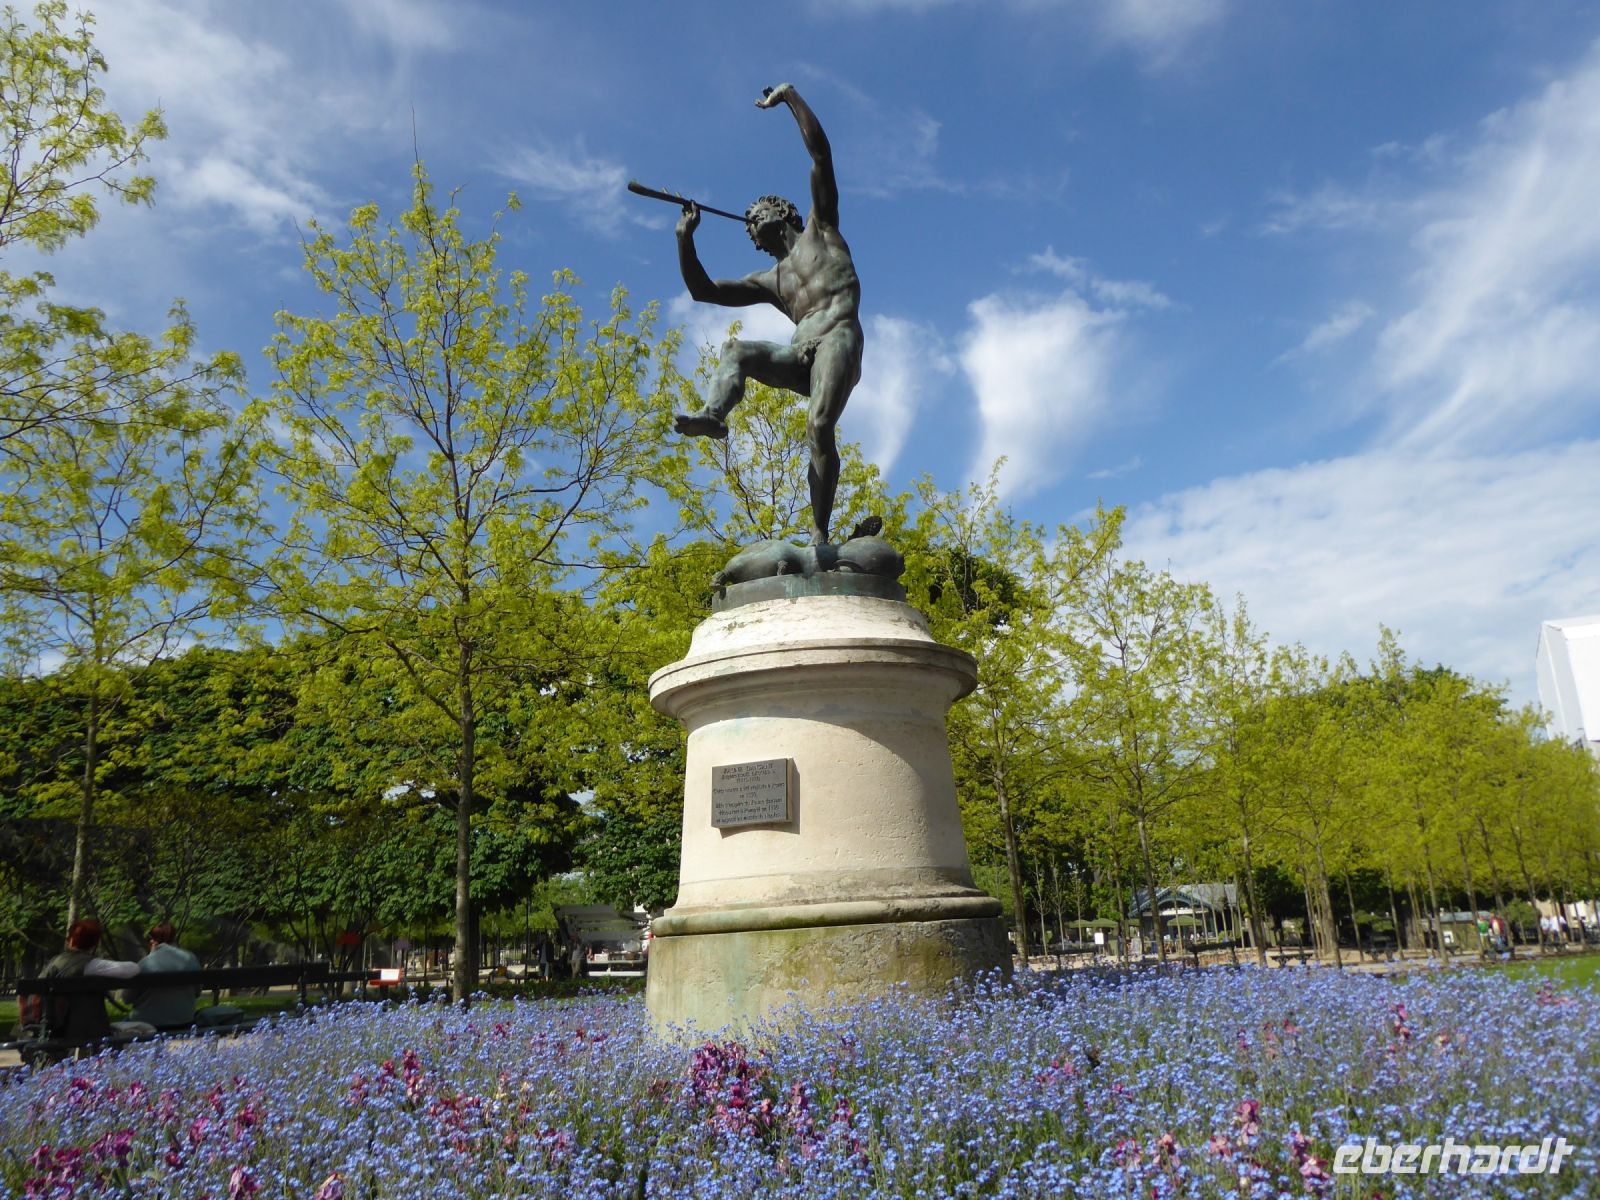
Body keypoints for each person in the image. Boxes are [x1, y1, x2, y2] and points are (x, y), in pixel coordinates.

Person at [672, 82, 863, 548]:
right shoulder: (771, 280)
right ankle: (714, 415)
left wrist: (789, 98)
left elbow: (821, 156)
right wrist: (685, 239)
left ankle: (820, 532)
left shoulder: (823, 229)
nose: (751, 224)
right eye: (749, 224)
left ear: (782, 210)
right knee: (736, 349)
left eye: (757, 213)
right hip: (801, 354)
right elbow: (704, 291)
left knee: (818, 426)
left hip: (838, 338)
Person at [33, 918, 152, 1043]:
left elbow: (37, 987)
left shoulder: (54, 963)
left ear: (71, 939)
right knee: (145, 1029)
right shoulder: (93, 966)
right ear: (94, 943)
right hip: (92, 1030)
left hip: (53, 1028)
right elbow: (133, 969)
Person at [123, 921, 201, 1030]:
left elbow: (127, 999)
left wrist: (151, 954)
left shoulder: (145, 963)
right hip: (185, 1021)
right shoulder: (190, 958)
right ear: (174, 937)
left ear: (152, 940)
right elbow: (197, 993)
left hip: (147, 1023)